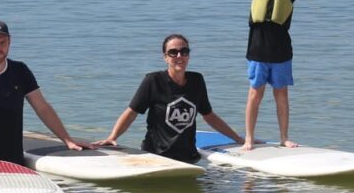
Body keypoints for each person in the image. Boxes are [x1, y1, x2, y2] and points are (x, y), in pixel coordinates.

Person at [0, 20, 92, 165]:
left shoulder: (20, 71)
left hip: (14, 160)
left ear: (9, 42)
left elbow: (42, 108)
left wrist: (67, 140)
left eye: (2, 43)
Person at [236, 0, 327, 150]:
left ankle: (284, 137)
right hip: (257, 53)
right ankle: (249, 137)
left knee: (281, 96)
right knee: (254, 94)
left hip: (281, 55)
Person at [96, 34, 244, 164]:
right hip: (157, 157)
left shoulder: (197, 80)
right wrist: (112, 137)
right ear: (165, 57)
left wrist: (239, 139)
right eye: (173, 52)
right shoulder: (153, 80)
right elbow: (131, 112)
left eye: (184, 51)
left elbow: (209, 115)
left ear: (188, 55)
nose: (179, 56)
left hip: (189, 157)